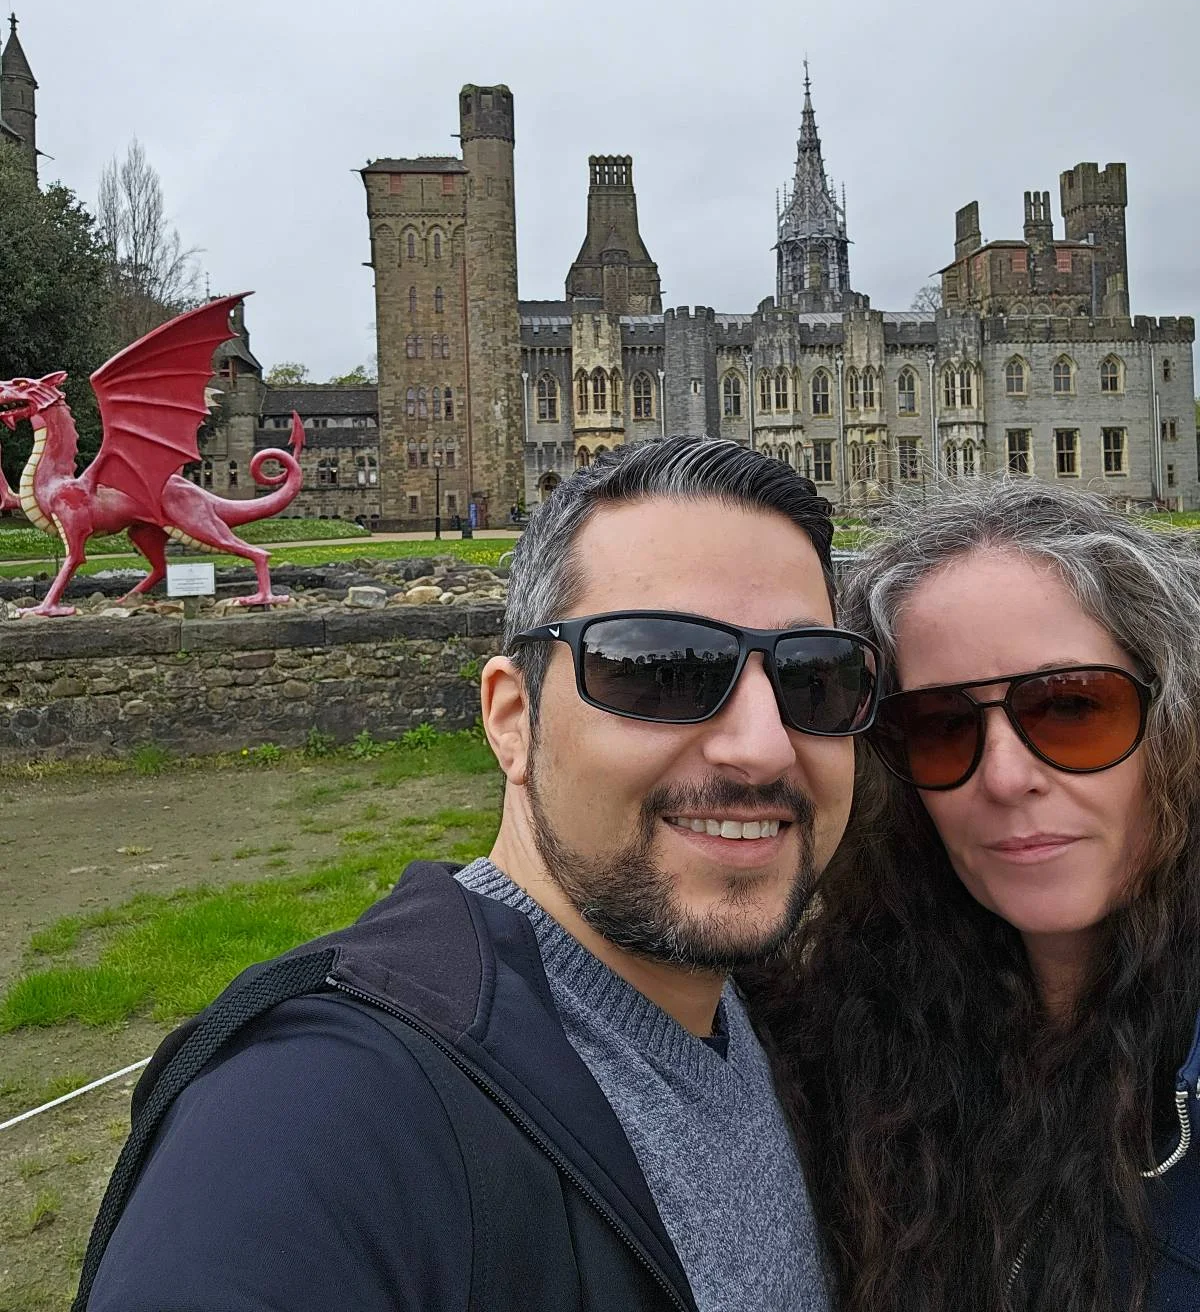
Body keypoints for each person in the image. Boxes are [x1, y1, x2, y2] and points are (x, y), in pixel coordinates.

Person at [81, 436, 880, 1312]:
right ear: (511, 717)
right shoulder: (321, 1110)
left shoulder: (783, 1021)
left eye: (815, 677)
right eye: (663, 669)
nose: (763, 746)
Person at [749, 479, 1200, 1312]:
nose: (1004, 777)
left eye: (1071, 708)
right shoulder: (855, 1037)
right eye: (942, 726)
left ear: (1173, 718)